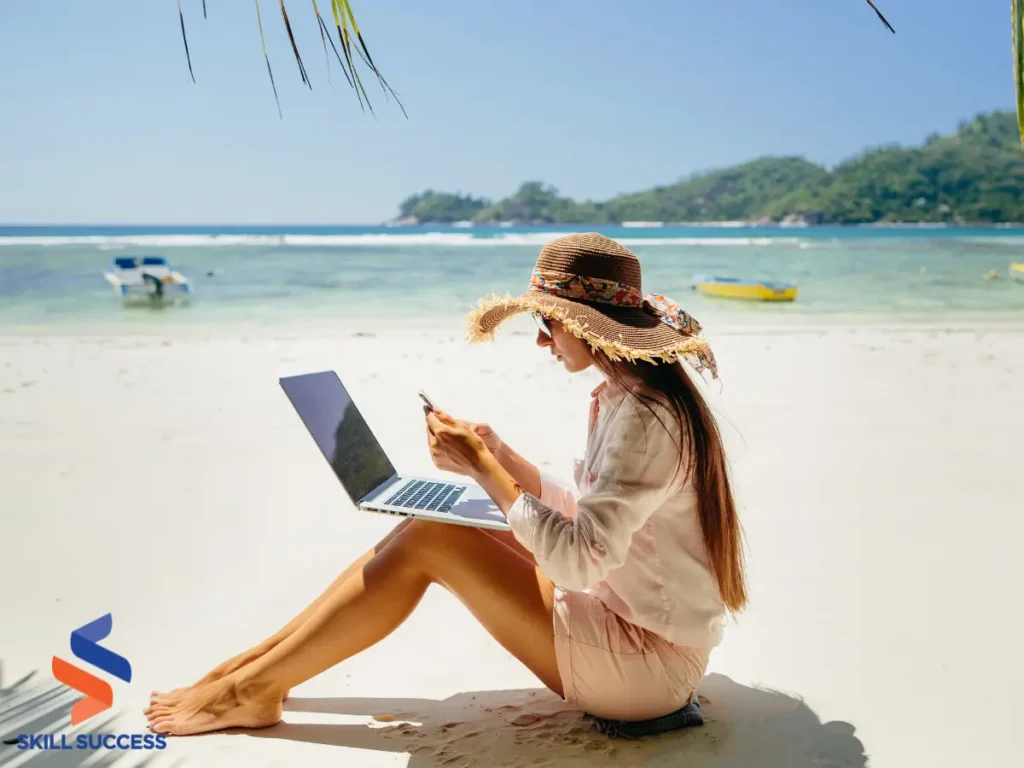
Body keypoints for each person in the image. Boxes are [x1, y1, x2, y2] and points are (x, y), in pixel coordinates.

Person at [144, 232, 747, 736]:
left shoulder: (645, 417)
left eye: (548, 322)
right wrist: (501, 454)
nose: (541, 339)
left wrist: (484, 470)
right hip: (633, 622)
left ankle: (251, 689)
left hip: (646, 671)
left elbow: (580, 563)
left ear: (587, 326)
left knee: (437, 538)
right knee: (430, 526)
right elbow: (595, 521)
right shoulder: (629, 396)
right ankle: (251, 669)